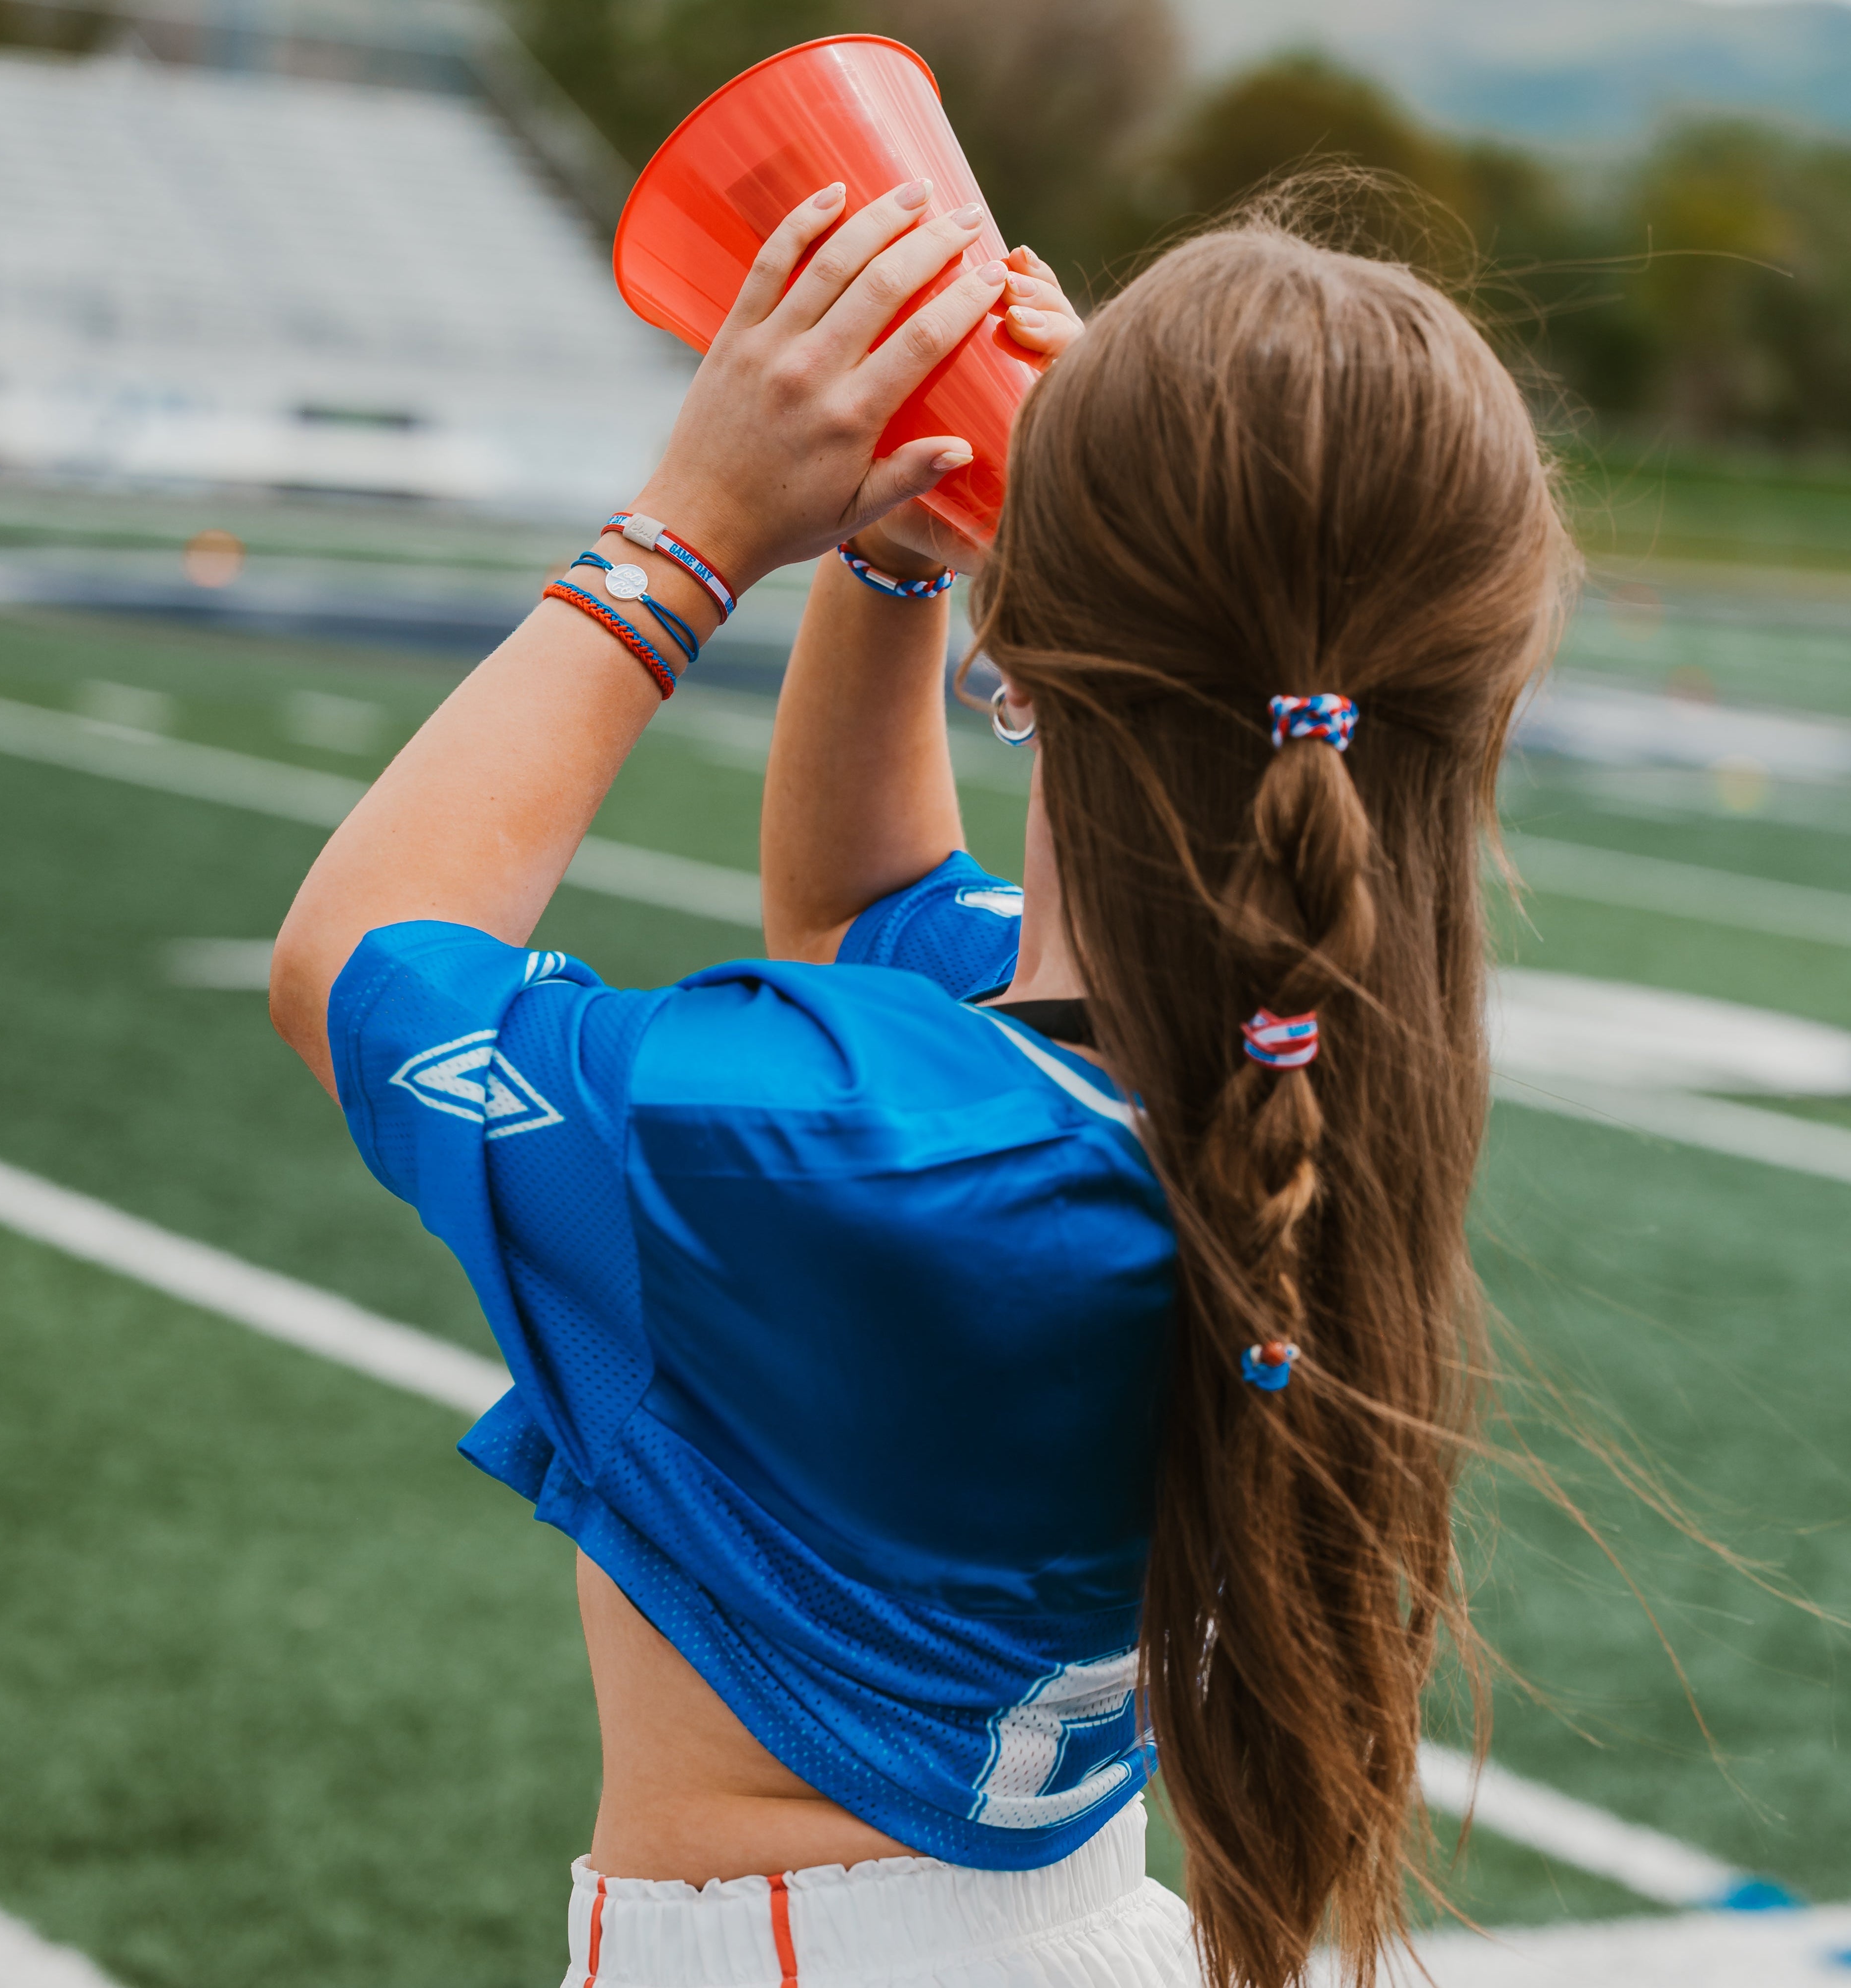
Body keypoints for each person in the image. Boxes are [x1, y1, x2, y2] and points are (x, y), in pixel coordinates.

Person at [271, 173, 1571, 1988]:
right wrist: (899, 551)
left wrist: (693, 525)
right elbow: (865, 905)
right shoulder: (1285, 1055)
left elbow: (354, 960)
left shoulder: (849, 1148)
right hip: (1068, 1927)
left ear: (1032, 646)